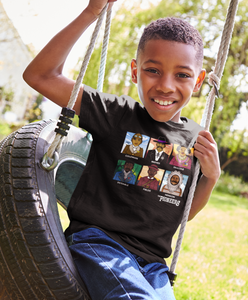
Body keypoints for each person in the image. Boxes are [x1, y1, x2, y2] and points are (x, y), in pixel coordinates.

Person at [23, 1, 221, 299]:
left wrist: (211, 177)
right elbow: (40, 75)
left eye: (182, 75)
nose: (166, 86)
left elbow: (181, 212)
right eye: (153, 70)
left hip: (154, 266)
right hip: (99, 244)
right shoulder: (116, 114)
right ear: (134, 71)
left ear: (198, 82)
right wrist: (91, 13)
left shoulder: (196, 138)